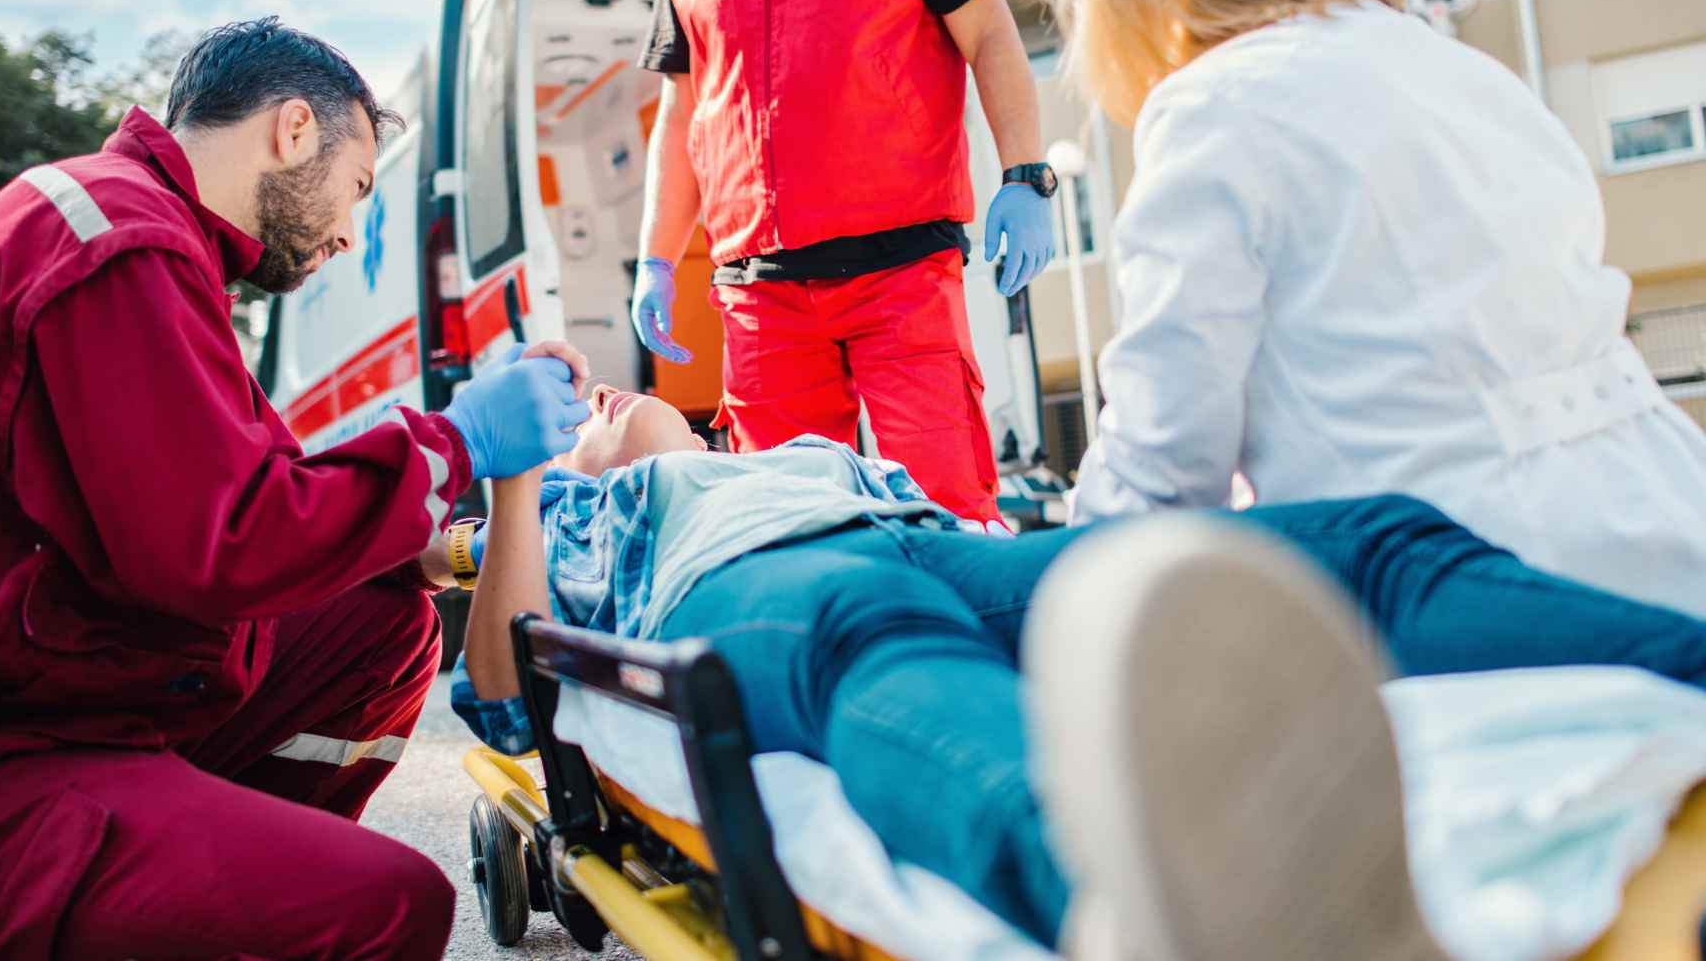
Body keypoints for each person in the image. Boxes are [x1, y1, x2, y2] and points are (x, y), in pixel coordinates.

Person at [0, 17, 593, 960]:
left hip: (8, 708)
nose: (349, 231)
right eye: (357, 187)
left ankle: (202, 869)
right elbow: (226, 543)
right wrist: (457, 440)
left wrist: (438, 544)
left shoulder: (141, 237)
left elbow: (253, 494)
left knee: (380, 622)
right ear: (294, 129)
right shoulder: (117, 240)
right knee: (387, 904)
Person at [447, 387, 1706, 955]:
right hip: (746, 590)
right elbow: (505, 700)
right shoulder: (570, 515)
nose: (596, 393)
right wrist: (515, 483)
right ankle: (1136, 914)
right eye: (580, 408)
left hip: (926, 542)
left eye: (603, 386)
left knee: (1367, 540)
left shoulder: (804, 453)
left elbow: (968, 531)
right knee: (880, 645)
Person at [1025, 0, 1706, 612]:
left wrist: (1055, 605)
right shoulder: (1458, 68)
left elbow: (1164, 464)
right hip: (1664, 517)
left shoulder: (1215, 109)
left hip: (1459, 579)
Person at [631, 0, 1058, 525]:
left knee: (950, 508)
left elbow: (990, 32)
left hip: (901, 268)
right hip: (761, 292)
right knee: (784, 525)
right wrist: (656, 259)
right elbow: (683, 109)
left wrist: (1024, 173)